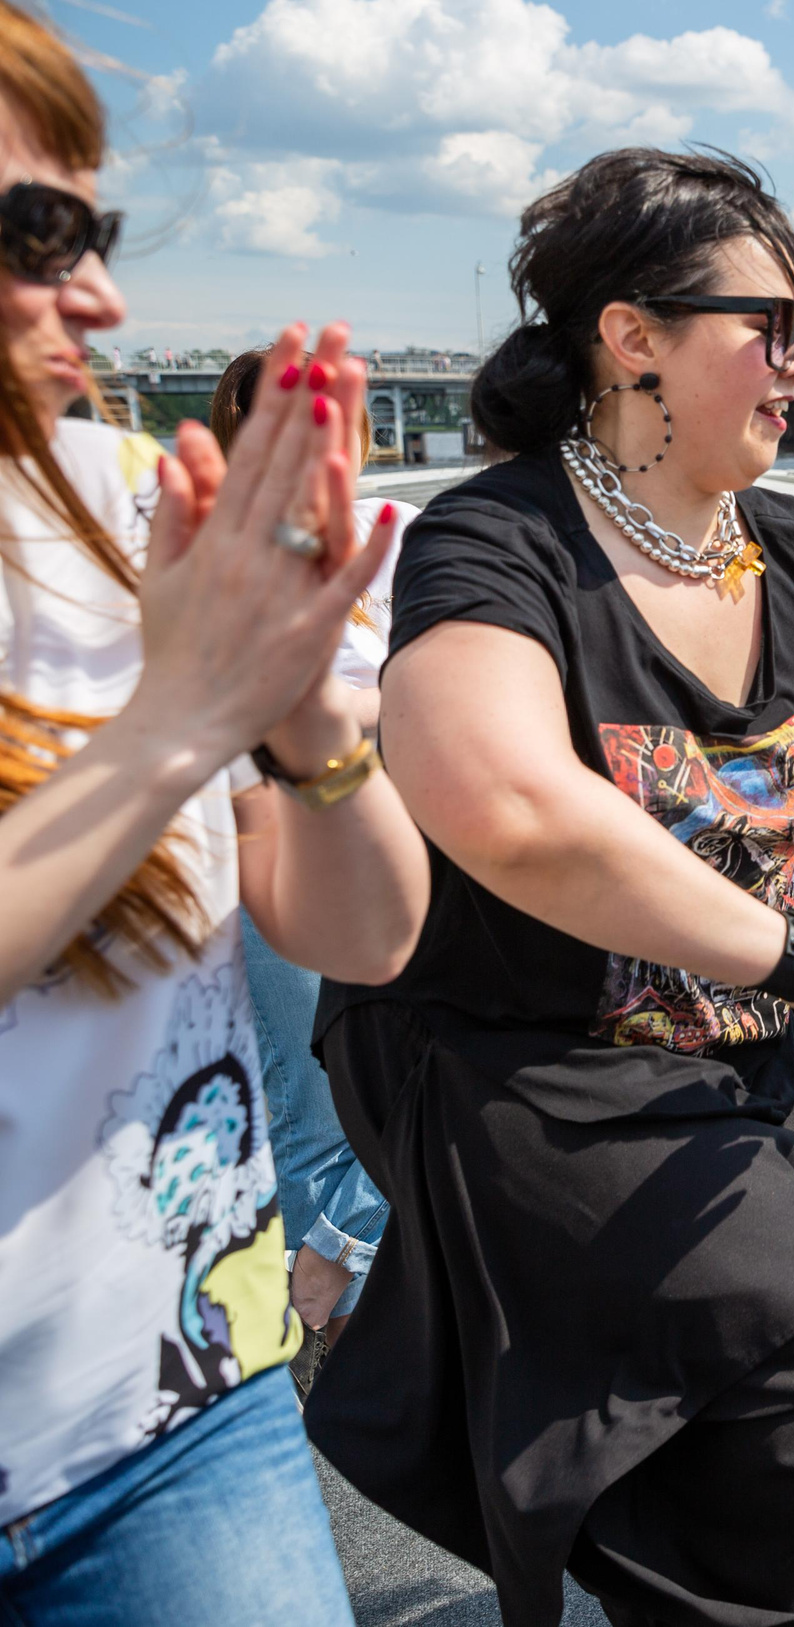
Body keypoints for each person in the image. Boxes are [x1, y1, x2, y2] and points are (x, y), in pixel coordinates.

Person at [301, 148, 794, 1626]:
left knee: (711, 1515)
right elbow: (505, 805)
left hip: (735, 1068)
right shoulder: (497, 543)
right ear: (631, 335)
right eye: (772, 326)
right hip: (536, 1075)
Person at [0, 0, 428, 1624]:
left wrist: (304, 717)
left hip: (177, 1392)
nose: (103, 297)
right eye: (37, 235)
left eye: (92, 232)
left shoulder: (127, 514)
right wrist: (178, 720)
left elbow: (367, 935)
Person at [210, 345, 417, 1344]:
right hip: (278, 840)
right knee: (316, 1098)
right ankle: (335, 1325)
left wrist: (355, 707)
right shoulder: (219, 552)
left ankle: (344, 1288)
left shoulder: (400, 533)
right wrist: (386, 704)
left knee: (418, 1069)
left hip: (406, 836)